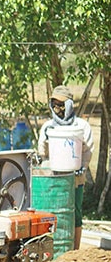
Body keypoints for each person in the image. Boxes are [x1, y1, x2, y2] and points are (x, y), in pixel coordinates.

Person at [37, 85, 94, 250]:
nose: (57, 107)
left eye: (61, 103)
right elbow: (43, 154)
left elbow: (87, 151)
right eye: (54, 103)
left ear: (69, 104)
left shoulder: (81, 127)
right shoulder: (48, 127)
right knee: (50, 212)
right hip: (54, 180)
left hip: (75, 179)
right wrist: (47, 142)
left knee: (75, 213)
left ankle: (74, 250)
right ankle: (50, 249)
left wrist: (81, 168)